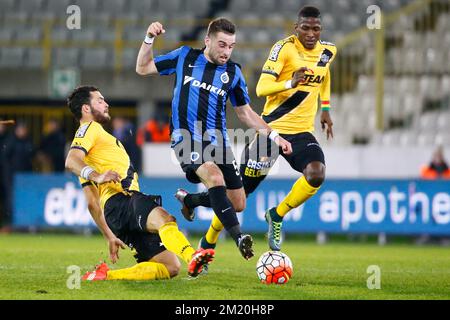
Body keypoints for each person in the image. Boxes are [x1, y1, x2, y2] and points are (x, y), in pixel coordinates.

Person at [180, 7, 336, 253]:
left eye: (315, 28)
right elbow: (262, 88)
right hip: (270, 132)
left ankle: (277, 214)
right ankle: (207, 238)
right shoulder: (284, 49)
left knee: (316, 174)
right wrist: (290, 82)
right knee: (237, 197)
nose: (310, 33)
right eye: (305, 28)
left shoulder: (328, 51)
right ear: (296, 28)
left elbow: (323, 75)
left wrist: (325, 108)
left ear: (321, 30)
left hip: (302, 133)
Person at [136, 18, 292, 261]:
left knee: (238, 202)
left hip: (219, 144)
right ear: (207, 41)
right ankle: (239, 237)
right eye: (222, 45)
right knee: (214, 176)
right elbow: (142, 68)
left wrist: (274, 135)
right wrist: (149, 38)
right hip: (185, 138)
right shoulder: (184, 57)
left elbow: (245, 113)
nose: (227, 52)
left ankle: (191, 199)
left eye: (231, 46)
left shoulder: (233, 73)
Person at [65, 86, 214, 281]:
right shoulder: (89, 129)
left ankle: (105, 275)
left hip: (115, 213)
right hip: (123, 200)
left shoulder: (91, 153)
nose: (106, 103)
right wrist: (98, 177)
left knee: (170, 266)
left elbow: (92, 204)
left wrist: (109, 235)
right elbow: (71, 160)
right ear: (86, 108)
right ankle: (192, 256)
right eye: (100, 100)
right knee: (165, 219)